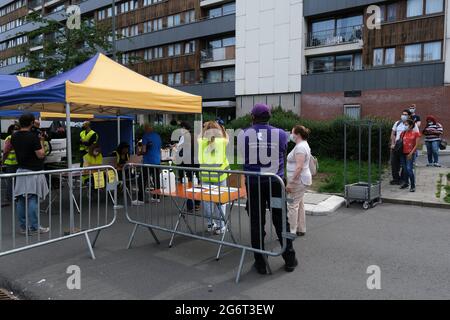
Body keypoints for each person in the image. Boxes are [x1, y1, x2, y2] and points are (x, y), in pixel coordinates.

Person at [239, 104, 297, 274]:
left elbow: (243, 154)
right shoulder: (280, 133)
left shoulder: (243, 134)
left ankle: (260, 262)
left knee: (256, 221)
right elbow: (283, 151)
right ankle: (290, 259)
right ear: (269, 117)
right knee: (280, 219)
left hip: (254, 183)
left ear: (253, 117)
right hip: (275, 183)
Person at [11, 113, 49, 235]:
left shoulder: (14, 136)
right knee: (33, 199)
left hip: (21, 170)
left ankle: (23, 227)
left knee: (21, 200)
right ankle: (35, 227)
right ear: (32, 123)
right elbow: (41, 154)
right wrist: (42, 141)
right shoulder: (33, 137)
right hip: (34, 172)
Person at [198, 121, 230, 235]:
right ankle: (220, 225)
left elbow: (200, 135)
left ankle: (210, 224)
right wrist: (221, 126)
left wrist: (205, 127)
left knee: (207, 201)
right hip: (219, 176)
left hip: (205, 175)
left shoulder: (201, 142)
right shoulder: (222, 142)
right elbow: (226, 136)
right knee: (221, 201)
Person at [286, 125, 312, 237]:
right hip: (302, 180)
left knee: (292, 205)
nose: (291, 135)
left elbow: (299, 167)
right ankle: (301, 228)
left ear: (298, 135)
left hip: (298, 181)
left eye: (292, 133)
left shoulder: (300, 147)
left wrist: (290, 183)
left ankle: (291, 231)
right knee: (299, 204)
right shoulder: (302, 145)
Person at [173, 121, 200, 212]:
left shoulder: (184, 136)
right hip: (196, 162)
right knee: (196, 183)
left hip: (187, 162)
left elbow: (179, 149)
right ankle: (197, 203)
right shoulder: (196, 135)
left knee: (188, 184)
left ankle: (189, 206)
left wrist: (175, 147)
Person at [390, 109, 419, 185]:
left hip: (406, 147)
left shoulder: (413, 124)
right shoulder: (397, 123)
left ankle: (403, 179)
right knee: (394, 163)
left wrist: (413, 150)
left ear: (409, 116)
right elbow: (393, 134)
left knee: (404, 165)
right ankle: (396, 179)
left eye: (405, 114)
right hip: (396, 146)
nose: (403, 116)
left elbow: (416, 136)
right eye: (403, 114)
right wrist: (392, 144)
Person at [135, 124, 162, 205]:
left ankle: (140, 199)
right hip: (157, 161)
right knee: (156, 179)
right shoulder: (157, 136)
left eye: (145, 129)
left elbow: (143, 150)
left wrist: (138, 153)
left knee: (142, 180)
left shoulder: (146, 136)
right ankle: (156, 197)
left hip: (148, 161)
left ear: (146, 129)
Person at [399, 119, 421, 192]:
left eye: (406, 125)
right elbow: (400, 142)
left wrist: (411, 153)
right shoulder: (403, 133)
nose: (405, 126)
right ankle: (406, 183)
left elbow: (417, 145)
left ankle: (413, 185)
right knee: (404, 169)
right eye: (404, 125)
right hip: (402, 153)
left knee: (409, 169)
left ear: (411, 125)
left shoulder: (416, 133)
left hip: (410, 153)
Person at [2, 124, 20, 206]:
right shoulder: (20, 137)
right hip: (19, 162)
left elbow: (5, 151)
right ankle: (16, 197)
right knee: (16, 180)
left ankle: (9, 198)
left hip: (11, 163)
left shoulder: (10, 138)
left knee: (11, 181)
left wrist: (3, 161)